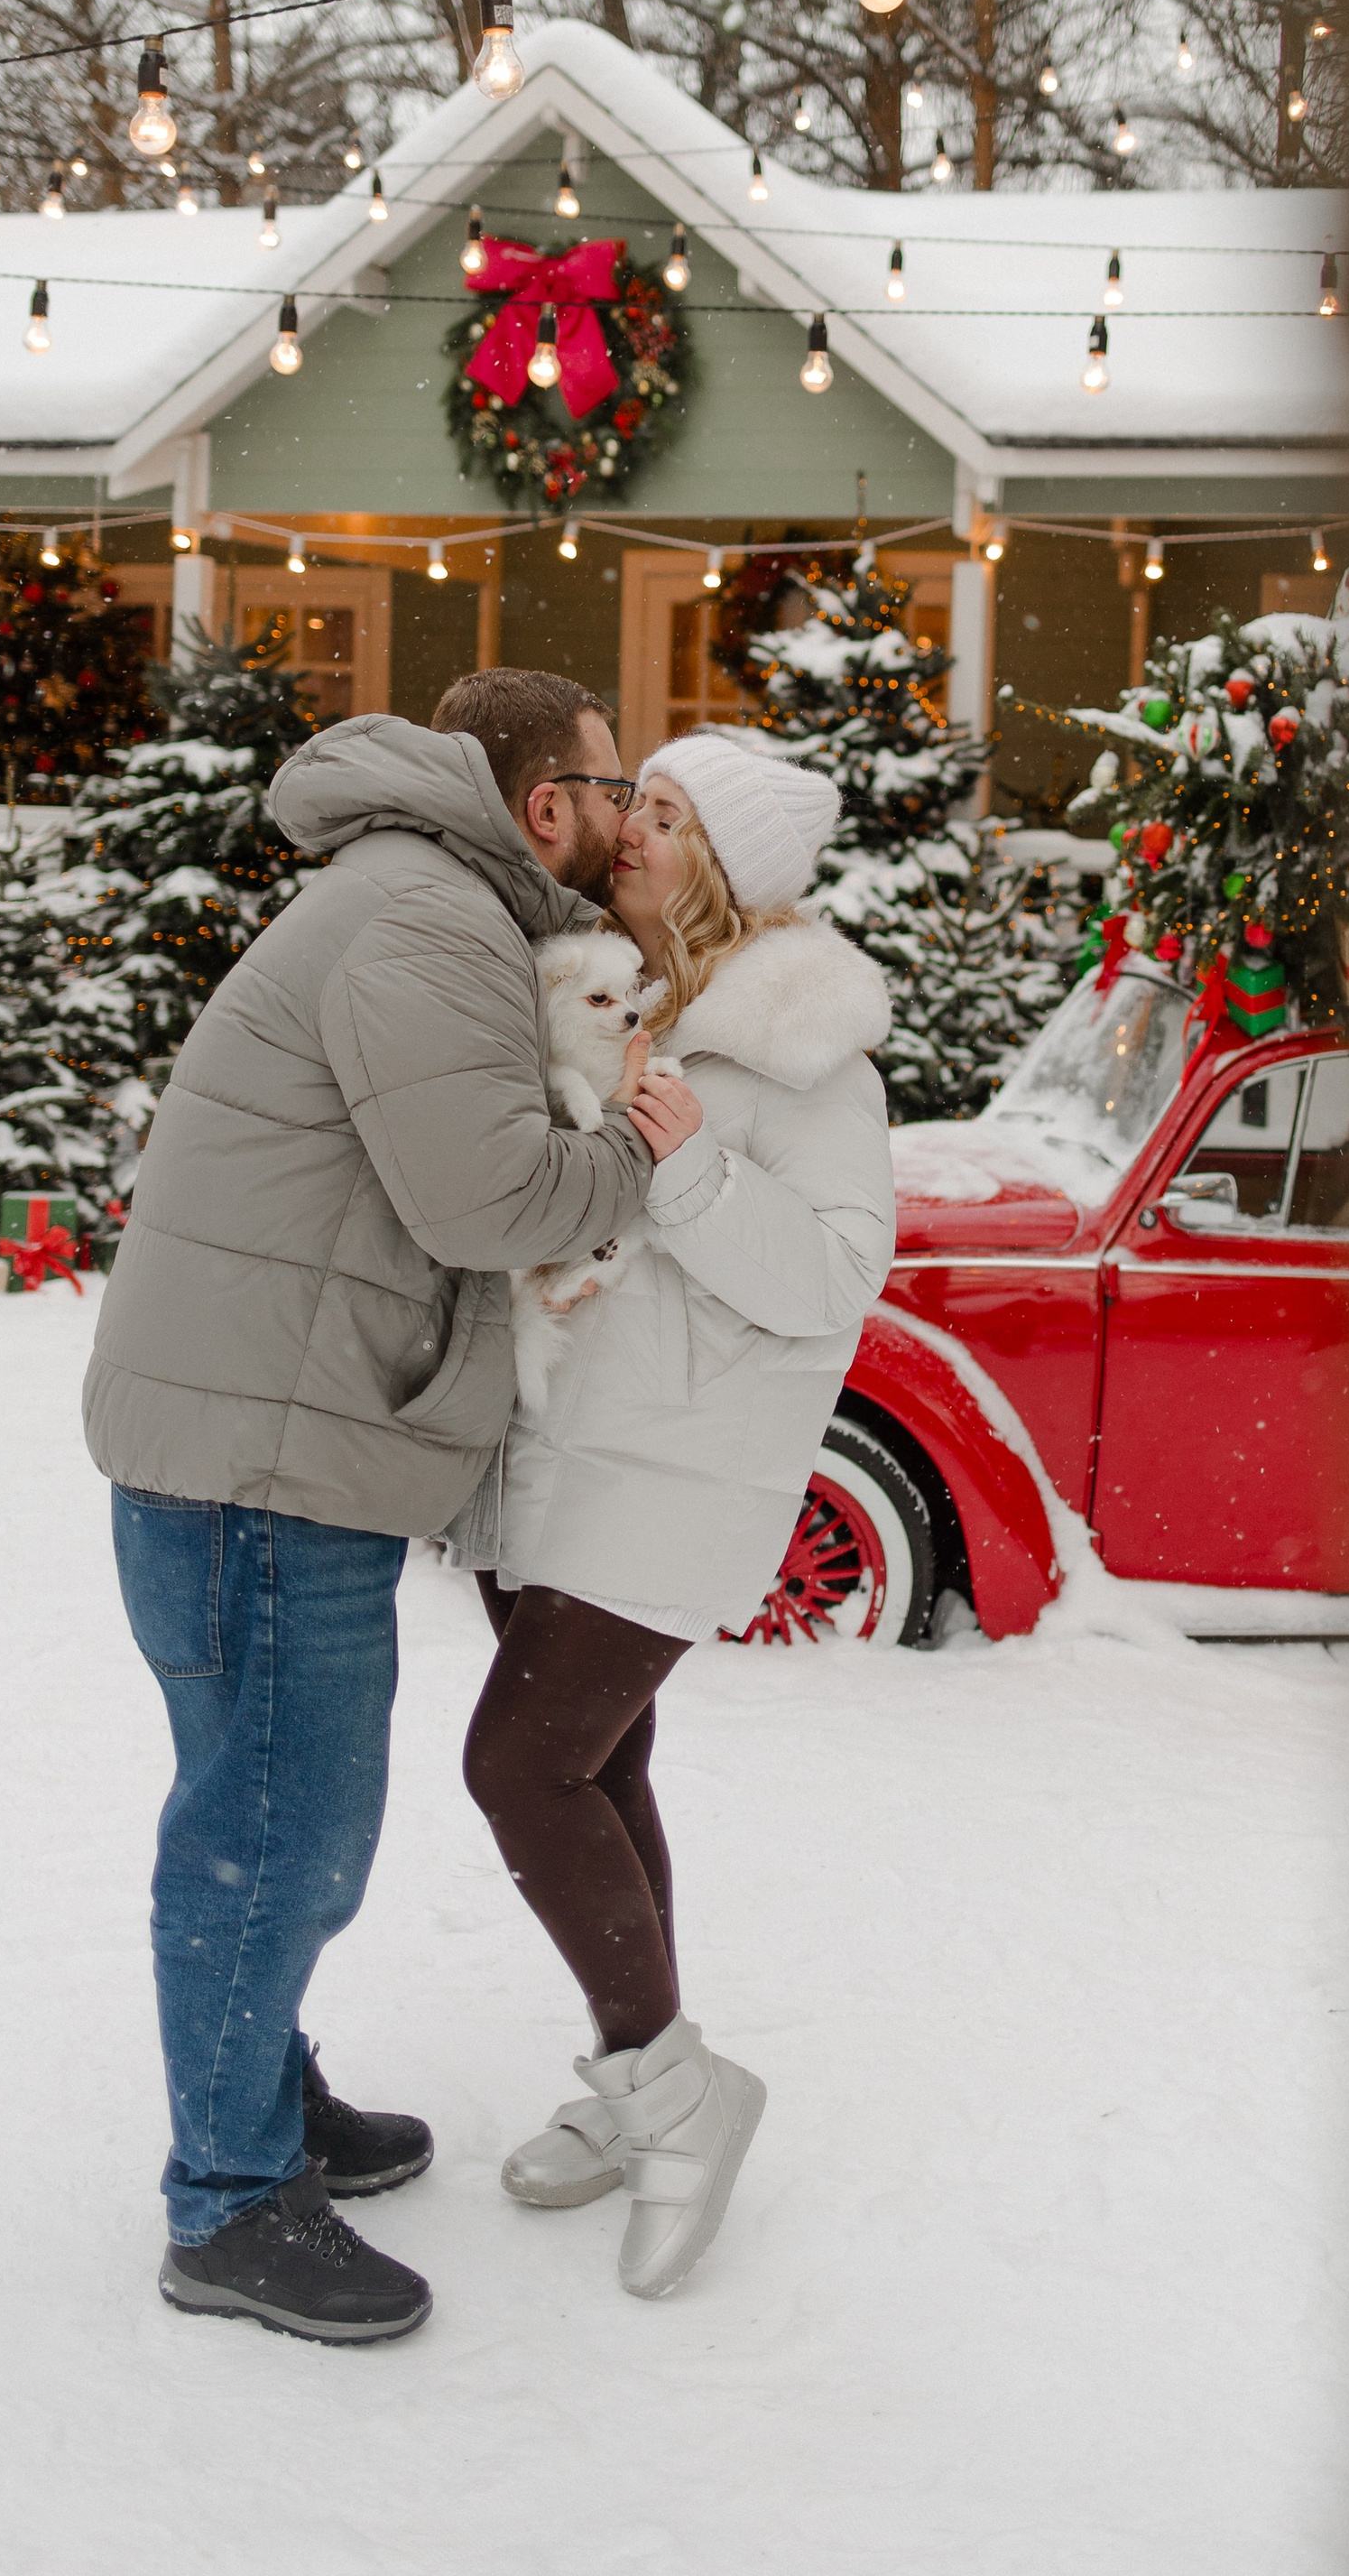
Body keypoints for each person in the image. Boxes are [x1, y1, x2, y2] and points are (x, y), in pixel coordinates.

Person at [85, 668, 683, 2347]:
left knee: (272, 1815)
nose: (630, 815)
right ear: (543, 805)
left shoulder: (412, 897)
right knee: (277, 1833)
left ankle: (261, 2107)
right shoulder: (432, 924)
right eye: (611, 784)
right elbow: (491, 1194)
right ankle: (227, 2202)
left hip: (266, 1434)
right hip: (262, 1457)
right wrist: (648, 1154)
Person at [459, 727, 898, 2300]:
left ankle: (675, 2089)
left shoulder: (803, 1055)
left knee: (517, 1765)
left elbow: (838, 1285)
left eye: (663, 811)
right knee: (601, 1764)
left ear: (728, 858)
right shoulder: (620, 1003)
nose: (627, 825)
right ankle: (638, 2074)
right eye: (630, 800)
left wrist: (699, 1171)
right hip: (560, 1452)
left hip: (677, 1472)